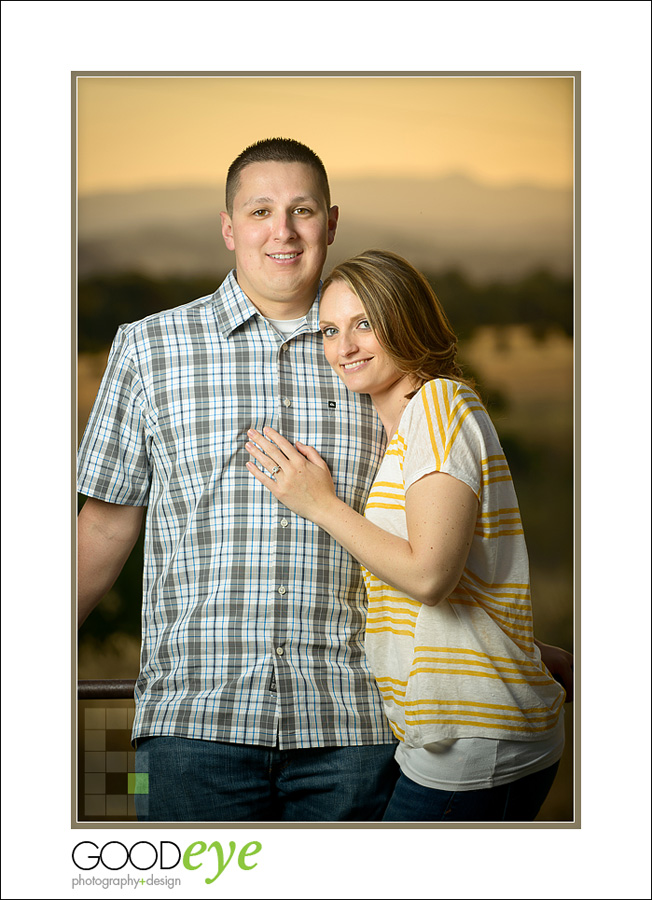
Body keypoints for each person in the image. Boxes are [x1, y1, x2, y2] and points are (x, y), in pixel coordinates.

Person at [78, 138, 572, 822]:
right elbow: (103, 526)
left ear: (330, 223)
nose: (282, 230)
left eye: (302, 210)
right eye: (260, 211)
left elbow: (435, 543)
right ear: (229, 228)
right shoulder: (147, 348)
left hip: (357, 727)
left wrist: (508, 651)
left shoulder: (373, 360)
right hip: (194, 724)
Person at [245, 249, 569, 822]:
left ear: (406, 320)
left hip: (473, 743)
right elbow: (466, 583)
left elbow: (429, 577)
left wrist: (319, 504)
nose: (343, 347)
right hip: (456, 732)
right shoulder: (405, 429)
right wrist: (526, 652)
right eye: (329, 329)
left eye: (364, 324)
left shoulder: (438, 405)